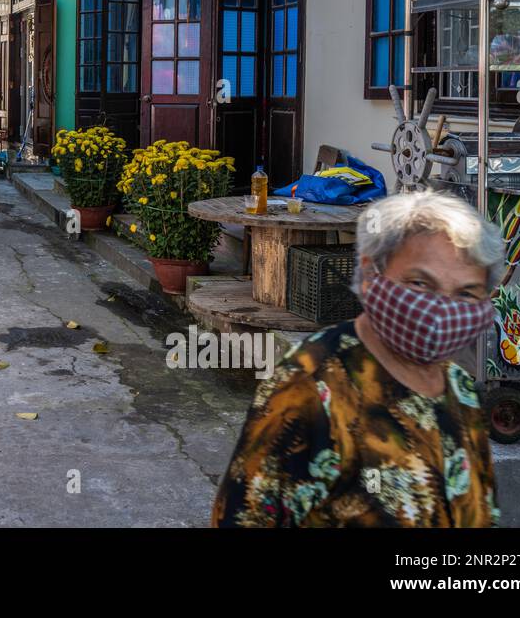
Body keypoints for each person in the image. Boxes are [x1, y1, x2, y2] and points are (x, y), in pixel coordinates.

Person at [212, 190, 504, 527]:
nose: (441, 309)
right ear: (370, 273)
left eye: (466, 293)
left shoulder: (461, 389)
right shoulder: (309, 386)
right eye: (420, 283)